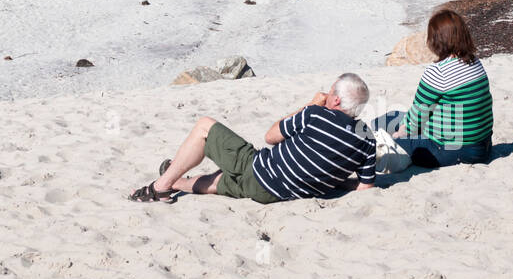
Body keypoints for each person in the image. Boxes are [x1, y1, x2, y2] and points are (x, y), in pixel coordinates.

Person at [128, 73, 376, 204]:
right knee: (221, 181)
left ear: (335, 100)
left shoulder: (315, 114)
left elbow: (270, 136)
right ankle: (175, 181)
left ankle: (159, 187)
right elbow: (365, 187)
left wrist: (310, 104)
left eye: (331, 90)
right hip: (271, 194)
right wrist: (333, 181)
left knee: (205, 126)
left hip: (259, 168)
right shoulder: (367, 140)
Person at [393, 9, 493, 167]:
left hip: (453, 150)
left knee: (383, 125)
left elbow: (418, 114)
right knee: (396, 117)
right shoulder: (474, 62)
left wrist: (400, 135)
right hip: (483, 146)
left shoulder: (438, 71)